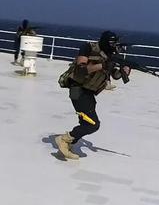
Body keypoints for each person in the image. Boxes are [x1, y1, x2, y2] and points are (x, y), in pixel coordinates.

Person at [55, 31, 130, 160]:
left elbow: (115, 75)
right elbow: (81, 69)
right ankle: (63, 139)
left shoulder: (109, 56)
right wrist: (102, 65)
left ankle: (68, 144)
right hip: (78, 89)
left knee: (85, 122)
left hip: (89, 92)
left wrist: (126, 71)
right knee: (93, 124)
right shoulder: (88, 48)